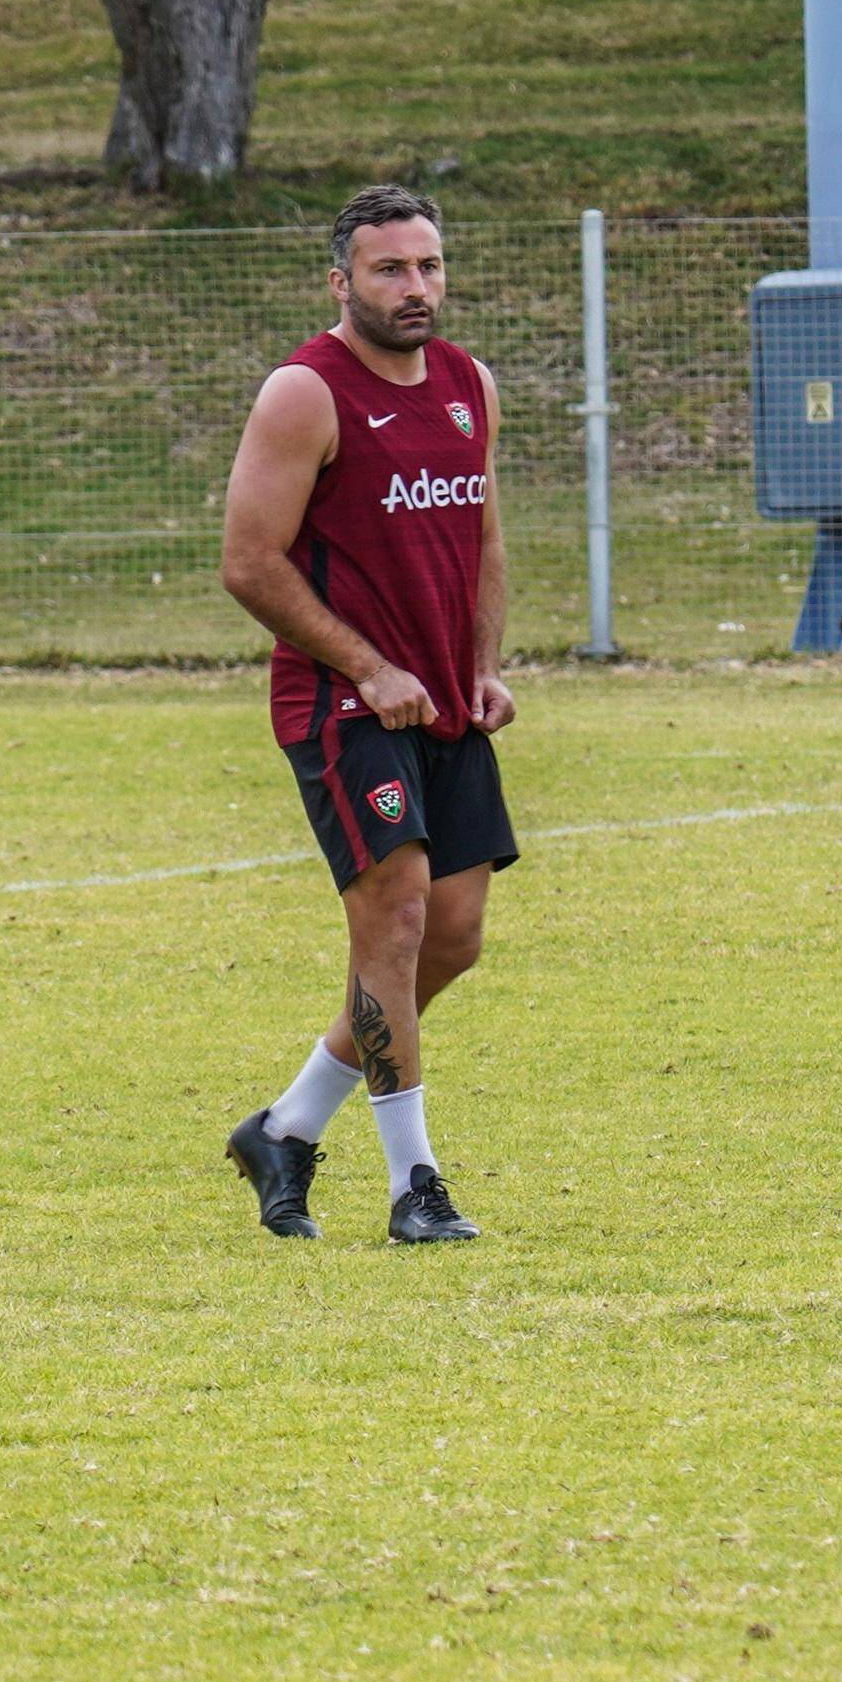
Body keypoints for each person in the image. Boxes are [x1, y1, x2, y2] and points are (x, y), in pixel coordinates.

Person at [217, 187, 515, 1246]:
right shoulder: (305, 392)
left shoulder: (468, 383)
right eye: (390, 269)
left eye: (428, 265)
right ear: (341, 281)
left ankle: (285, 1128)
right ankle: (414, 1187)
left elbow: (481, 536)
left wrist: (481, 665)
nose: (414, 286)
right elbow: (249, 563)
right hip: (342, 703)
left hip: (443, 703)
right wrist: (368, 666)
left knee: (452, 939)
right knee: (394, 923)